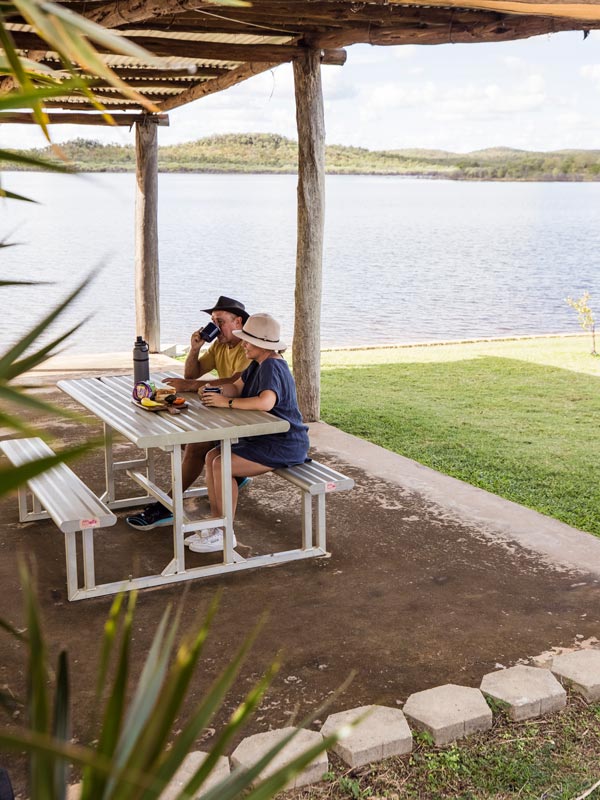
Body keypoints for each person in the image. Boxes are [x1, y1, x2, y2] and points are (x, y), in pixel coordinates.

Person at [184, 312, 310, 553]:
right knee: (213, 457)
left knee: (222, 465)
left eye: (247, 341)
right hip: (265, 438)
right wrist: (214, 391)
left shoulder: (273, 366)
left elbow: (265, 402)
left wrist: (226, 404)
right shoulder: (257, 364)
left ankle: (225, 533)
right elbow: (236, 387)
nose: (243, 344)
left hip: (284, 443)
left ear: (263, 344)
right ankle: (216, 524)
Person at [126, 295, 251, 530]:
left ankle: (167, 507)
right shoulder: (219, 346)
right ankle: (236, 474)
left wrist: (189, 386)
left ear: (239, 323)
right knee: (181, 436)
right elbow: (192, 374)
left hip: (250, 418)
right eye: (212, 321)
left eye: (220, 321)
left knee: (195, 444)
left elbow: (236, 382)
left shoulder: (249, 347)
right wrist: (195, 349)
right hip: (227, 415)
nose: (214, 327)